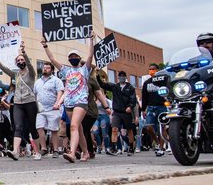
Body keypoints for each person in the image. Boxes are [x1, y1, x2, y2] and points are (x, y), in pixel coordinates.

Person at [42, 33, 95, 163]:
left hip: (81, 101)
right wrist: (45, 46)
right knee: (79, 129)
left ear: (79, 58)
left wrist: (91, 40)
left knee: (73, 126)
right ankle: (86, 152)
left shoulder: (84, 70)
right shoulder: (66, 71)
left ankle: (71, 152)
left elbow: (90, 56)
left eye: (75, 56)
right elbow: (53, 60)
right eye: (70, 57)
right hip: (69, 102)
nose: (73, 58)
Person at [0, 42, 38, 161]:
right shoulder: (15, 75)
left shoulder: (31, 73)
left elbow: (30, 65)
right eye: (18, 60)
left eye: (22, 60)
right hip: (18, 103)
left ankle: (37, 151)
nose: (20, 61)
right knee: (18, 126)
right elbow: (3, 68)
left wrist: (23, 53)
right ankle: (16, 151)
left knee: (32, 127)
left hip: (30, 102)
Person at [98, 69, 137, 155]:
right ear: (118, 77)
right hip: (117, 112)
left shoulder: (130, 87)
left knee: (129, 130)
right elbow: (103, 85)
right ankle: (113, 147)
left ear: (125, 77)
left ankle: (131, 147)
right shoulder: (115, 86)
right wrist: (98, 75)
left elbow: (133, 99)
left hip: (126, 112)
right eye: (120, 76)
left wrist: (130, 107)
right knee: (114, 129)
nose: (121, 77)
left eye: (123, 76)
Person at [33, 62, 65, 159]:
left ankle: (55, 149)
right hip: (41, 109)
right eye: (44, 68)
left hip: (52, 108)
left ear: (51, 70)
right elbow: (35, 94)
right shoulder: (37, 82)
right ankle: (44, 148)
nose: (45, 69)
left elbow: (60, 92)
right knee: (39, 127)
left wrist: (57, 103)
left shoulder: (56, 80)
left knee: (54, 129)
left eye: (47, 68)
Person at [141, 63, 168, 156]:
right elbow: (144, 96)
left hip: (162, 106)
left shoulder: (163, 81)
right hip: (150, 107)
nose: (151, 71)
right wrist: (143, 109)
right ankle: (156, 142)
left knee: (162, 127)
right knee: (149, 127)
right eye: (150, 69)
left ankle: (161, 147)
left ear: (157, 70)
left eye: (153, 69)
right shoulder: (147, 82)